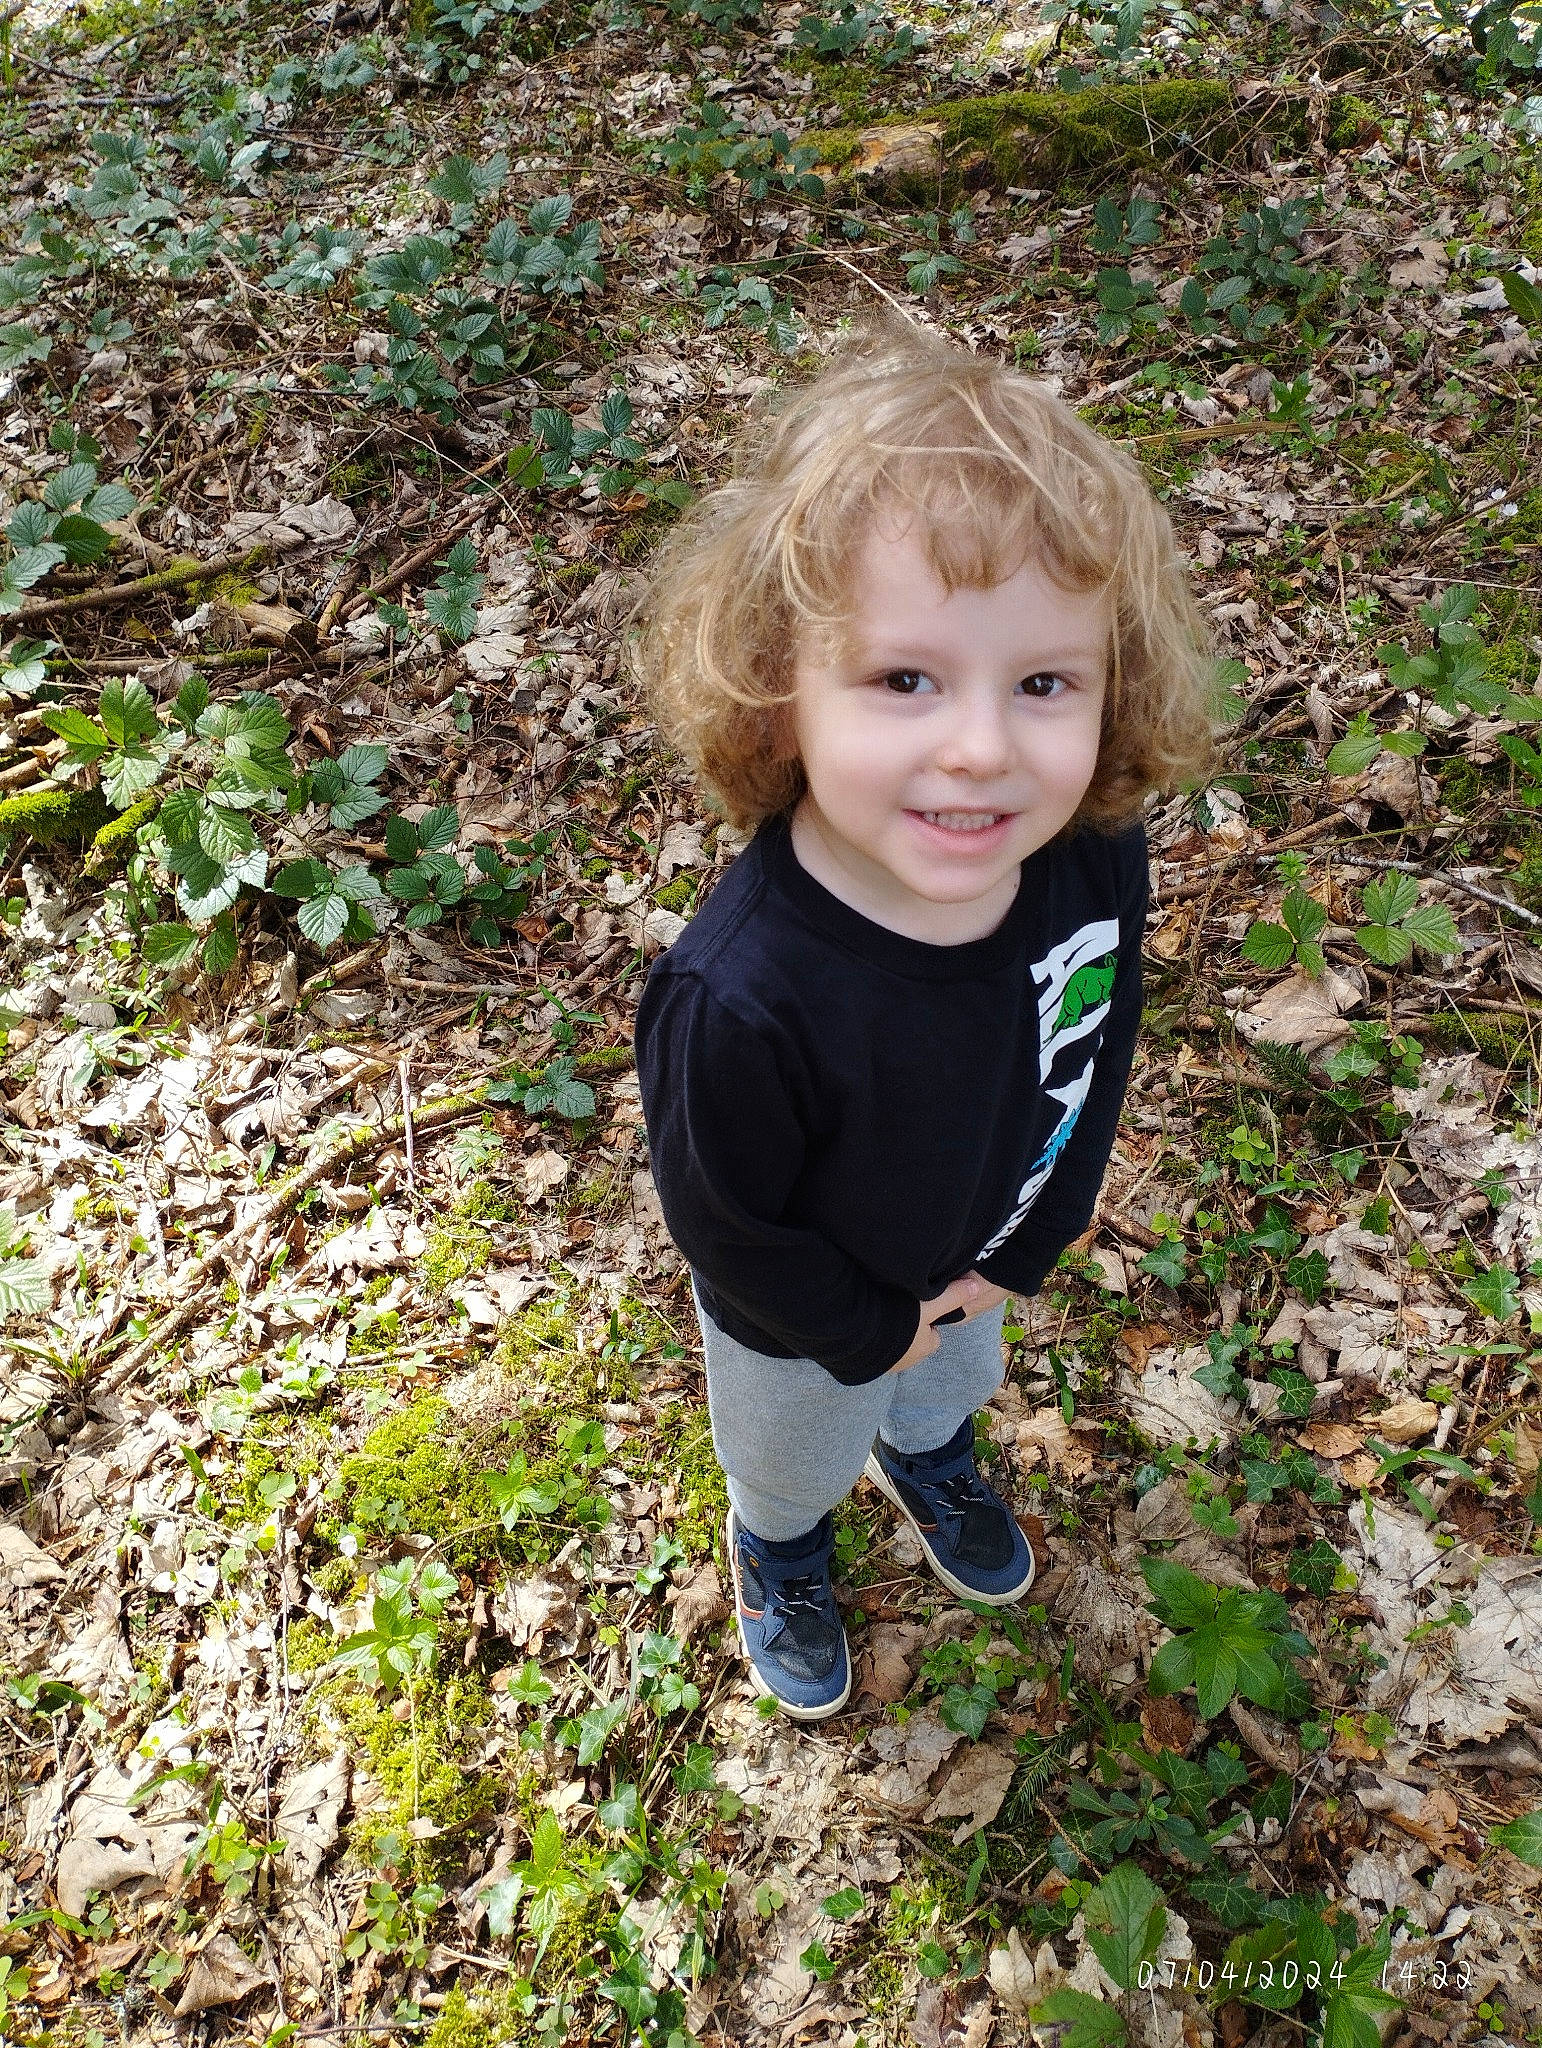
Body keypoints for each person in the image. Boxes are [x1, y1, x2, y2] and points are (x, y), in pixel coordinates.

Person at [627, 314, 1215, 1720]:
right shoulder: (741, 995)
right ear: (777, 697)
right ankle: (778, 1544)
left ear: (1106, 689)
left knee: (945, 1386)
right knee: (793, 1449)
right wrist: (861, 1327)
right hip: (800, 1322)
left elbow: (1097, 1043)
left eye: (1041, 683)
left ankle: (928, 1453)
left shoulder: (1085, 851)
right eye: (905, 679)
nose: (979, 746)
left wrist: (1033, 1236)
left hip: (978, 1253)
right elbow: (728, 1222)